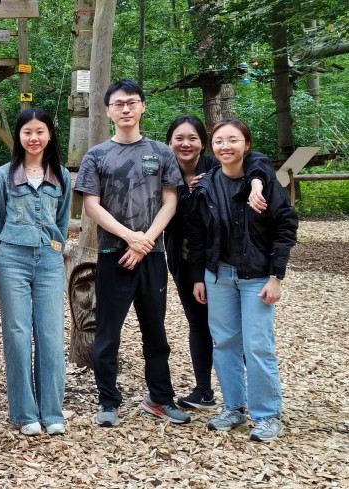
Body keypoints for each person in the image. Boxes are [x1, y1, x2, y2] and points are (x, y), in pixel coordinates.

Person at [74, 79, 190, 427]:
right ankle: (108, 401)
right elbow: (92, 206)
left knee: (155, 331)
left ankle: (160, 398)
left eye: (132, 102)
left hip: (152, 256)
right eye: (119, 104)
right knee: (108, 332)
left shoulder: (161, 152)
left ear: (142, 107)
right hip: (112, 254)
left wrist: (146, 241)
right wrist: (129, 237)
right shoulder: (97, 155)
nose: (126, 109)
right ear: (109, 110)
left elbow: (171, 201)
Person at [187, 118, 298, 442]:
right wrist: (198, 277)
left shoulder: (261, 179)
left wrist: (277, 276)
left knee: (258, 345)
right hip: (218, 275)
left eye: (233, 140)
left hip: (256, 277)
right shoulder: (206, 184)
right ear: (212, 147)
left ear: (246, 145)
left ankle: (267, 415)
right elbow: (196, 235)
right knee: (224, 343)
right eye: (219, 141)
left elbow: (285, 226)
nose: (225, 146)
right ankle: (234, 407)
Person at [164, 115, 273, 411]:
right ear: (169, 142)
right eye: (179, 138)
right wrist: (186, 191)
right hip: (186, 261)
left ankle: (254, 395)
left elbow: (256, 160)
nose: (185, 144)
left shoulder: (216, 167)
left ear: (204, 144)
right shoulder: (165, 171)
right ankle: (204, 391)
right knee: (198, 325)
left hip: (223, 261)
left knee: (239, 330)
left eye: (193, 138)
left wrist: (255, 184)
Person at [0, 108, 73, 436]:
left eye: (40, 131)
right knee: (18, 335)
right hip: (12, 260)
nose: (33, 138)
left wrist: (53, 249)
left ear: (50, 135)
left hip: (50, 263)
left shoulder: (61, 176)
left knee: (51, 337)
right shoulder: (3, 175)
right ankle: (25, 414)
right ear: (19, 136)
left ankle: (52, 412)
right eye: (27, 132)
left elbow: (63, 222)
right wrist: (3, 260)